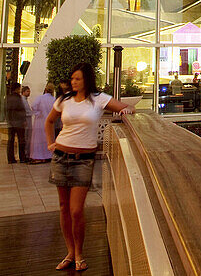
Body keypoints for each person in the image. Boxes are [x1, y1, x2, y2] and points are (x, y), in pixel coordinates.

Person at [45, 62, 134, 272]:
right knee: (64, 207)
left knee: (76, 210)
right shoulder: (64, 100)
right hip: (60, 157)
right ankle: (70, 252)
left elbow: (126, 107)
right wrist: (50, 143)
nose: (73, 82)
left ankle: (79, 252)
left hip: (83, 160)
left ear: (87, 80)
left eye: (78, 79)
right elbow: (49, 122)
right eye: (72, 78)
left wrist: (127, 110)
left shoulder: (98, 99)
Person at [29, 84, 55, 163]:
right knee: (48, 139)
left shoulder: (40, 98)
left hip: (40, 121)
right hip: (50, 122)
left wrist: (38, 113)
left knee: (38, 139)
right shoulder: (53, 99)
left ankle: (38, 156)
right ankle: (48, 155)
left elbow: (33, 106)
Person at [6, 83, 30, 164]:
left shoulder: (7, 97)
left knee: (11, 140)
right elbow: (21, 109)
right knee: (21, 140)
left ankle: (10, 158)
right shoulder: (18, 98)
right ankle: (22, 157)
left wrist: (8, 119)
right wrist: (23, 120)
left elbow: (6, 110)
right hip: (19, 123)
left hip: (10, 122)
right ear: (16, 89)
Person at [21, 85, 33, 161]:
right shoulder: (23, 100)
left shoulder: (24, 100)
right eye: (27, 91)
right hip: (26, 120)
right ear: (23, 92)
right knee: (26, 137)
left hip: (28, 119)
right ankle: (26, 153)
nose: (29, 93)